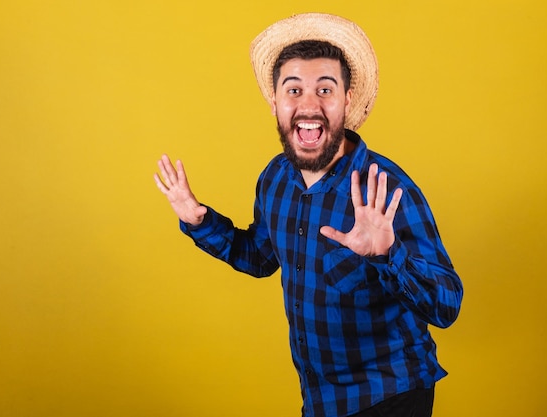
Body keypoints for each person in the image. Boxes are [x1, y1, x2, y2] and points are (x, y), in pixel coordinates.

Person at [154, 13, 463, 417]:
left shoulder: (384, 188)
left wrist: (388, 255)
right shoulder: (275, 178)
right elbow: (262, 258)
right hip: (321, 401)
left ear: (347, 100)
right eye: (294, 89)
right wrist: (199, 221)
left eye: (325, 89)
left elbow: (446, 306)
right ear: (275, 102)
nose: (309, 105)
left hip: (391, 395)